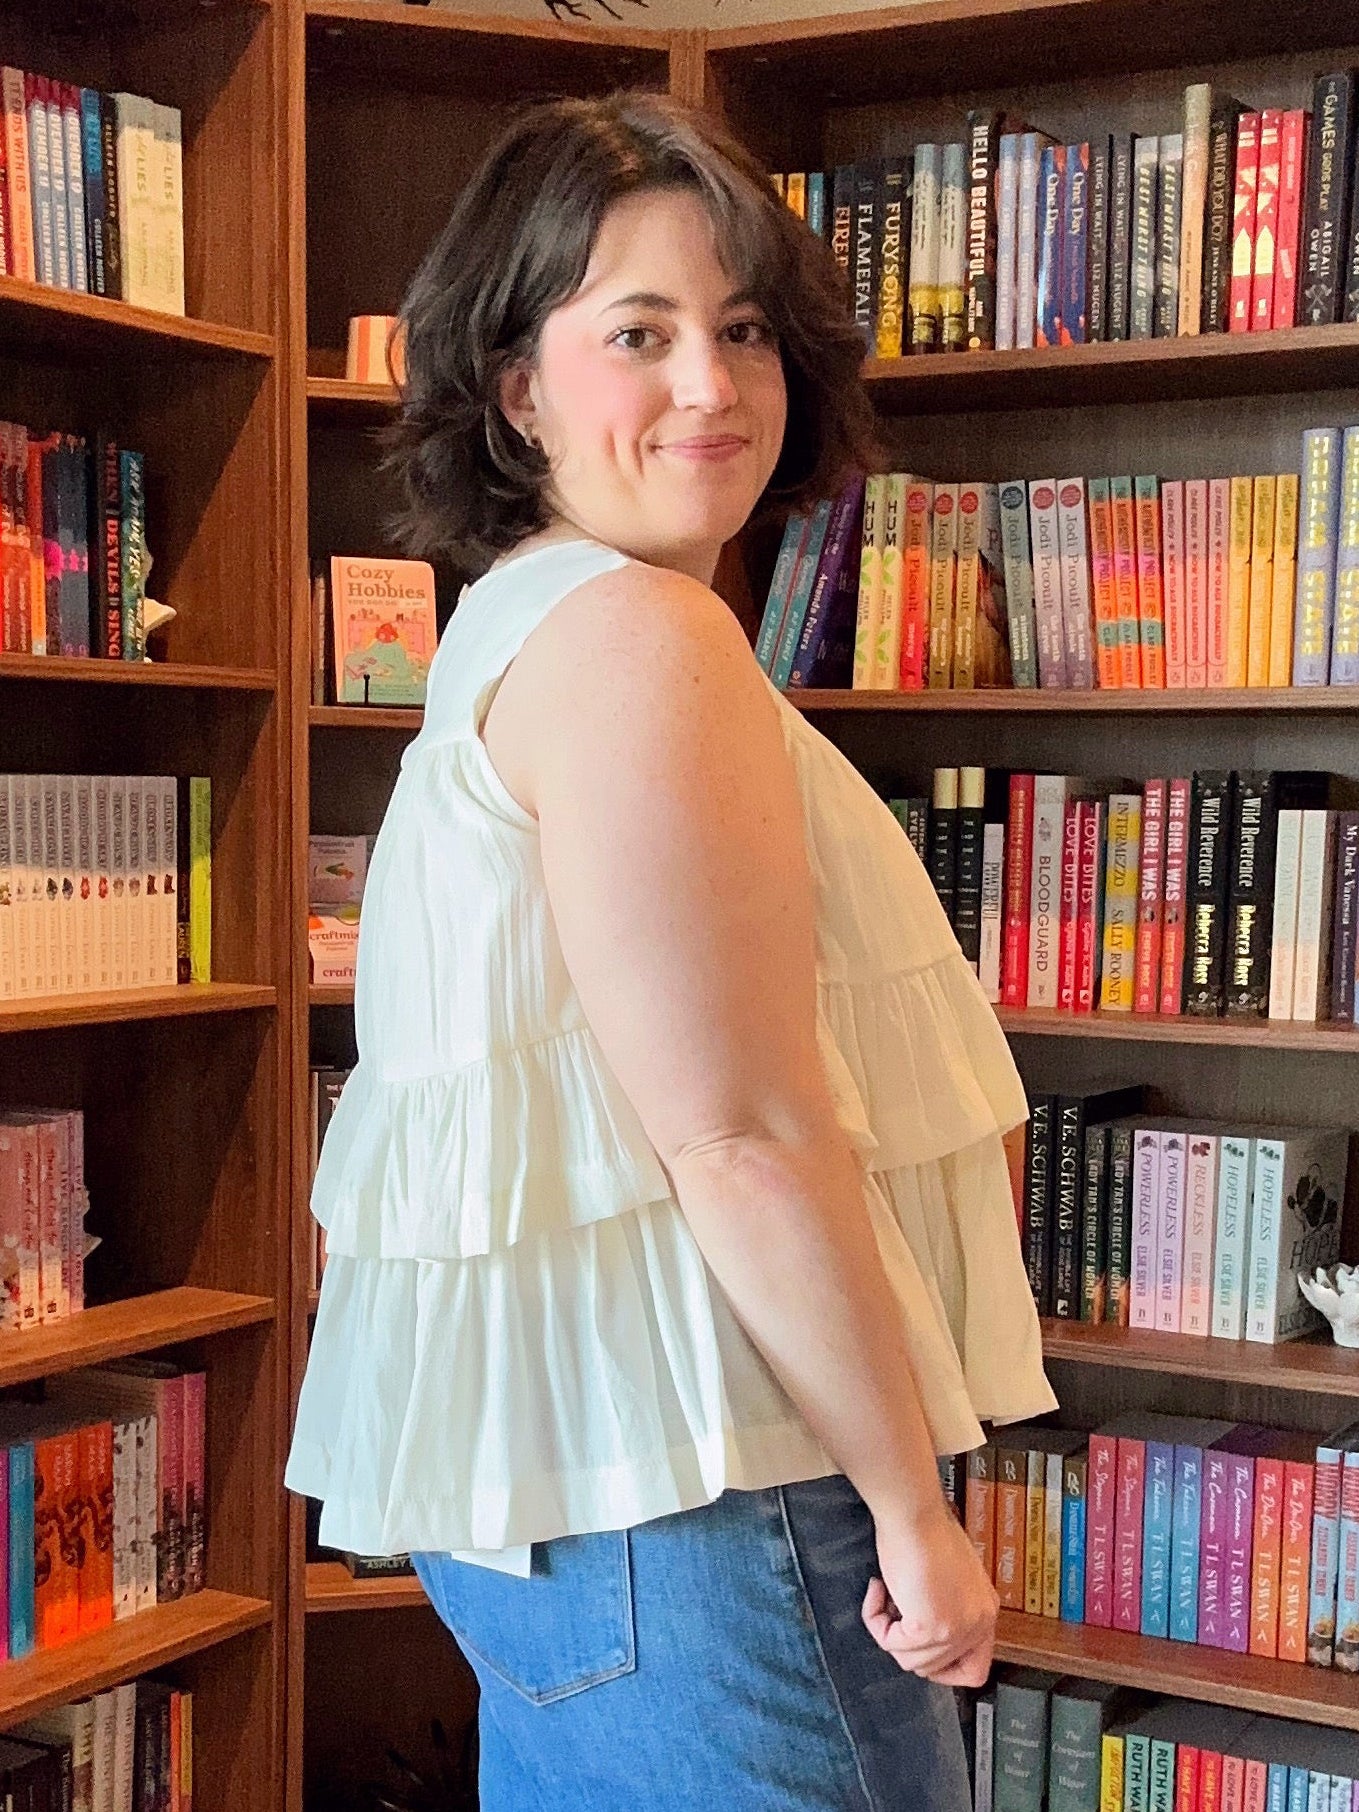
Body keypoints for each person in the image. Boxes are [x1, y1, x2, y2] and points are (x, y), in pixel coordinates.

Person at [285, 90, 1056, 1810]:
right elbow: (741, 1135)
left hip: (595, 1508)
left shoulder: (520, 625)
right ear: (518, 385)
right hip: (716, 1504)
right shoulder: (640, 638)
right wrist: (912, 1509)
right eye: (639, 332)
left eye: (745, 329)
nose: (711, 384)